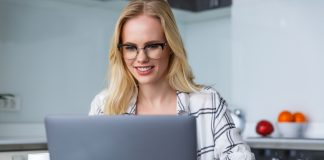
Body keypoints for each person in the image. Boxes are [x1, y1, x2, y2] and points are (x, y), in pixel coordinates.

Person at [89, 0, 255, 159]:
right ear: (121, 52)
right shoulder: (104, 105)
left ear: (171, 47)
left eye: (152, 46)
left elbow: (240, 156)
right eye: (131, 48)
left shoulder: (207, 103)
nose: (141, 58)